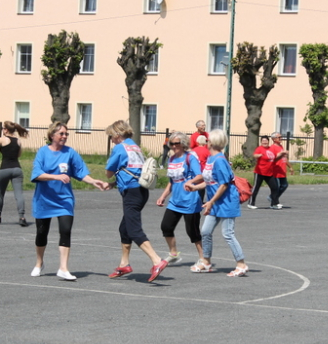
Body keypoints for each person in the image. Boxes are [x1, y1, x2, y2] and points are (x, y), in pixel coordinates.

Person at [30, 123, 108, 280]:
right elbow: (37, 174)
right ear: (52, 135)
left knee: (65, 231)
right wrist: (56, 176)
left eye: (66, 134)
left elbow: (80, 172)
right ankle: (39, 263)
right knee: (41, 233)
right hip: (44, 200)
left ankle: (63, 268)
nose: (64, 136)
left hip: (64, 200)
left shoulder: (70, 153)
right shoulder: (43, 152)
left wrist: (93, 182)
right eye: (61, 134)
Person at [105, 120, 168, 282]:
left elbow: (108, 172)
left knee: (133, 230)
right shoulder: (134, 146)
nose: (111, 139)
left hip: (132, 192)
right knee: (124, 228)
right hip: (141, 190)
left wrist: (110, 178)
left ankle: (157, 260)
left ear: (118, 135)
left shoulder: (119, 148)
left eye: (111, 136)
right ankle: (124, 264)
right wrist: (115, 183)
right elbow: (132, 169)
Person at [184, 129, 247, 276]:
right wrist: (195, 187)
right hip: (216, 202)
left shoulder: (219, 160)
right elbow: (210, 182)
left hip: (226, 202)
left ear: (211, 142)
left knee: (228, 234)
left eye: (208, 140)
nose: (207, 141)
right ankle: (206, 262)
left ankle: (241, 264)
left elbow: (224, 184)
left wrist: (211, 201)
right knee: (205, 231)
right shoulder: (211, 159)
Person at [155, 131, 205, 265]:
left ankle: (203, 258)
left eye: (176, 143)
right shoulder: (172, 159)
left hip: (190, 200)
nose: (174, 146)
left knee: (192, 232)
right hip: (175, 201)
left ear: (183, 144)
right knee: (166, 226)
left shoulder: (190, 158)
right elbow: (172, 181)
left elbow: (200, 176)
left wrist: (190, 182)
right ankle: (173, 253)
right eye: (171, 143)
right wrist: (163, 196)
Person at [248, 136, 280, 209]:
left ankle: (273, 204)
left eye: (266, 141)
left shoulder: (271, 149)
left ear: (268, 141)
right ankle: (251, 203)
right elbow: (255, 155)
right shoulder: (259, 149)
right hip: (259, 172)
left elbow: (275, 158)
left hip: (269, 172)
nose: (265, 142)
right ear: (261, 142)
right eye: (263, 141)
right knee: (256, 187)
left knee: (275, 187)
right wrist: (258, 155)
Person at [270, 132, 293, 204]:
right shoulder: (272, 148)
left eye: (281, 137)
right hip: (276, 170)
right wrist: (281, 154)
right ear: (274, 139)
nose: (281, 138)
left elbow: (284, 158)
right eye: (279, 137)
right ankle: (274, 202)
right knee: (276, 187)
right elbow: (273, 159)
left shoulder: (281, 146)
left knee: (284, 185)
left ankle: (272, 197)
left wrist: (290, 167)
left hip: (282, 170)